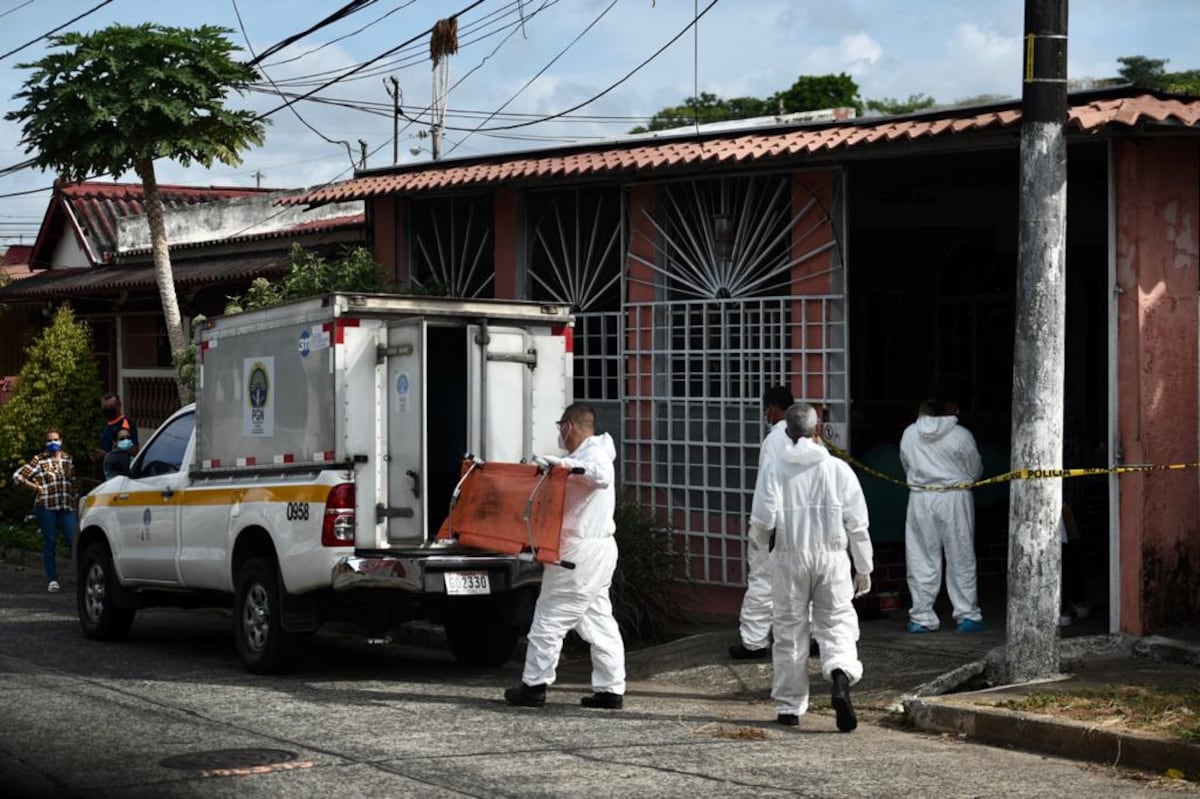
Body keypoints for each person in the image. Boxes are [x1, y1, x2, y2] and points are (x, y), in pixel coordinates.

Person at [750, 402, 873, 731]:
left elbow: (762, 521)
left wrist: (761, 553)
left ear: (787, 432)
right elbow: (858, 526)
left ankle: (790, 707)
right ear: (817, 430)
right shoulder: (838, 470)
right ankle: (840, 678)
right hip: (833, 559)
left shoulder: (775, 468)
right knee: (836, 623)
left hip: (790, 556)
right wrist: (863, 568)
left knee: (789, 631)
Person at [505, 402, 625, 710]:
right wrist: (564, 466)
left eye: (560, 427)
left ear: (568, 426)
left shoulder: (592, 456)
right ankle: (610, 689)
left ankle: (534, 686)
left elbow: (600, 475)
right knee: (598, 620)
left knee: (549, 618)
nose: (559, 434)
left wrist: (564, 466)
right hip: (595, 551)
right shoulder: (589, 454)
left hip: (579, 553)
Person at [899, 397, 985, 633]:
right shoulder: (961, 435)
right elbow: (975, 468)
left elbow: (906, 465)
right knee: (961, 555)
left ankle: (921, 616)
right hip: (955, 497)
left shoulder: (909, 433)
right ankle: (967, 615)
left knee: (921, 557)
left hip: (920, 497)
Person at [729, 385, 793, 661]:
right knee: (802, 582)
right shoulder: (809, 439)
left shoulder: (774, 440)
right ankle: (813, 636)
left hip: (774, 523)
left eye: (766, 410)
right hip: (803, 524)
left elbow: (768, 489)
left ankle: (754, 642)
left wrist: (760, 527)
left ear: (772, 409)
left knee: (762, 580)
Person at [12, 429, 77, 593]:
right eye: (49, 440)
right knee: (51, 541)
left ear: (61, 440)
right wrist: (34, 487)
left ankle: (79, 574)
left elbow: (72, 480)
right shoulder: (39, 460)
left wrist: (75, 497)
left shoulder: (68, 459)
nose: (52, 443)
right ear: (45, 443)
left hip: (66, 506)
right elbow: (18, 476)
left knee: (73, 539)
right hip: (46, 506)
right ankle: (52, 578)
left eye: (55, 439)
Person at [92, 393, 138, 464]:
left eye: (110, 407)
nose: (107, 410)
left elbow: (132, 452)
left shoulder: (125, 424)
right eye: (104, 407)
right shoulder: (106, 424)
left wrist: (106, 455)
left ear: (118, 406)